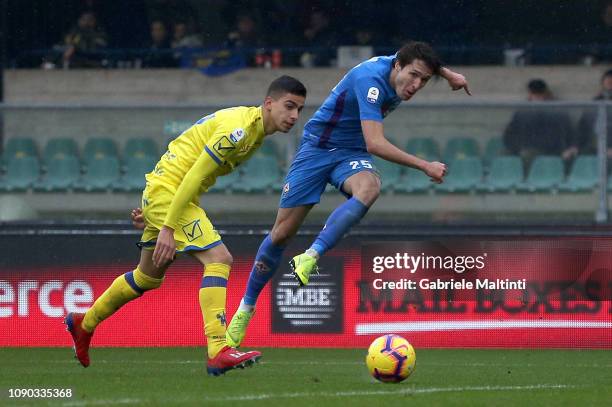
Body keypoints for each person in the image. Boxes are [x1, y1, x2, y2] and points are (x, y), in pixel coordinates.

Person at [221, 41, 470, 348]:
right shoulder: (371, 82)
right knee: (281, 234)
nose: (416, 85)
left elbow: (413, 56)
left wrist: (447, 74)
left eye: (423, 80)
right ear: (397, 68)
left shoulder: (401, 64)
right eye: (414, 76)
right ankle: (246, 307)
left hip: (349, 153)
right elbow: (375, 144)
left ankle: (310, 256)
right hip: (318, 148)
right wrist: (424, 165)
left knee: (370, 187)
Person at [64, 76, 307, 376]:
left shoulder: (254, 131)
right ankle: (218, 349)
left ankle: (83, 323)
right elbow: (192, 176)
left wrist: (156, 213)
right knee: (219, 260)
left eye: (299, 109)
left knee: (147, 278)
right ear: (269, 103)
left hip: (164, 195)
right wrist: (167, 225)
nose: (294, 116)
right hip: (170, 193)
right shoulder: (239, 130)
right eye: (289, 106)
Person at [503, 78, 576, 165]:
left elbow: (568, 132)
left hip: (551, 150)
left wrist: (569, 148)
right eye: (534, 94)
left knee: (528, 154)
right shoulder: (523, 110)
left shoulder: (557, 109)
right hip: (525, 148)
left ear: (545, 93)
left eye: (539, 94)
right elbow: (510, 133)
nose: (537, 97)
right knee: (504, 154)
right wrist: (516, 148)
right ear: (530, 94)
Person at [574, 69, 612, 157]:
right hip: (594, 147)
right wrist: (575, 146)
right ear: (602, 84)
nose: (610, 87)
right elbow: (582, 127)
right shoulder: (594, 103)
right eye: (608, 83)